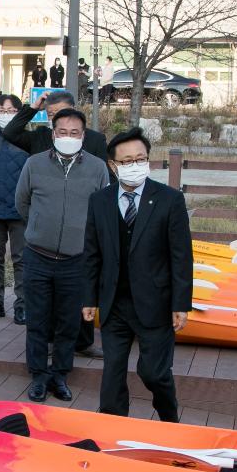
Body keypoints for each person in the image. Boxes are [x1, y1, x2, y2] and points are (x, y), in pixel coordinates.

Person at [82, 127, 191, 422]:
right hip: (114, 301)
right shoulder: (100, 201)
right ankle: (112, 423)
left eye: (140, 159)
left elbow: (181, 256)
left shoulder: (169, 200)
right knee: (112, 371)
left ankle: (169, 416)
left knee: (153, 372)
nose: (135, 165)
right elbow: (92, 252)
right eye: (127, 161)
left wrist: (181, 304)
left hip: (155, 302)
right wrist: (89, 297)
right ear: (113, 166)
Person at [1, 89, 108, 358]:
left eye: (61, 112)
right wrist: (32, 107)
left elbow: (104, 189)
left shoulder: (95, 141)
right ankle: (46, 344)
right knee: (45, 298)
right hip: (44, 238)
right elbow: (11, 132)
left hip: (80, 237)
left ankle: (82, 342)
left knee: (80, 293)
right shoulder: (39, 138)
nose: (58, 121)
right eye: (51, 116)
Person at [15, 108, 110, 403]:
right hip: (38, 257)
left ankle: (60, 374)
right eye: (63, 132)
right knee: (38, 320)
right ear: (53, 133)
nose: (68, 137)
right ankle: (39, 376)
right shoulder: (34, 164)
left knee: (69, 322)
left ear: (83, 135)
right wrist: (41, 227)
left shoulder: (97, 168)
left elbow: (103, 210)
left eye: (75, 133)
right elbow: (22, 203)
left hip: (76, 260)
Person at [0, 94, 29, 324]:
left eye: (10, 110)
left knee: (21, 259)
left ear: (20, 113)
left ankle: (22, 304)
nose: (5, 115)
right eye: (0, 110)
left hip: (20, 212)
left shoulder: (28, 142)